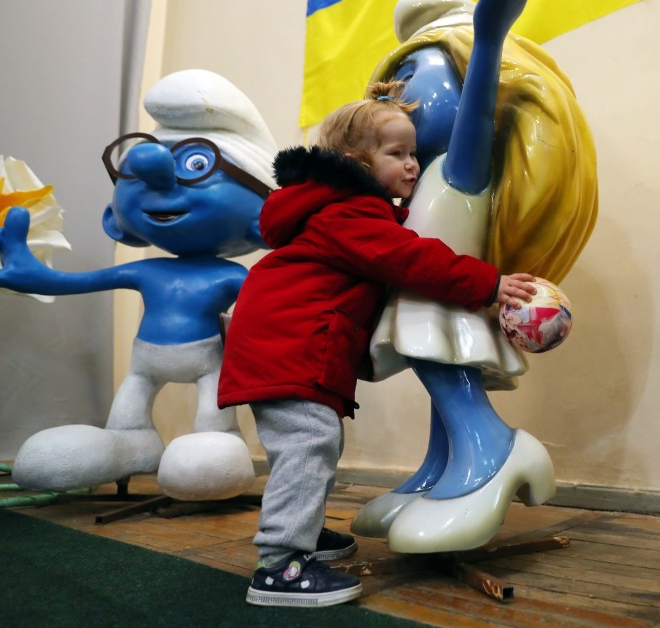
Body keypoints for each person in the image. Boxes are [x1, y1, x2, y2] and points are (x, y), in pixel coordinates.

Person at [216, 80, 538, 608]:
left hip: (283, 345)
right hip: (290, 348)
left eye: (414, 153)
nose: (412, 164)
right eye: (398, 154)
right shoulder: (349, 213)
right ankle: (279, 565)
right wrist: (490, 284)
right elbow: (411, 259)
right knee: (307, 446)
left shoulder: (332, 209)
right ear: (355, 162)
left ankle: (304, 535)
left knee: (317, 443)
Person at [352, 0, 598, 554]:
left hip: (446, 299)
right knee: (443, 376)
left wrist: (489, 35)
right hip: (441, 293)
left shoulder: (462, 172)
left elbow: (479, 114)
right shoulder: (417, 176)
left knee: (443, 369)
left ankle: (495, 451)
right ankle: (441, 472)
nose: (396, 98)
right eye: (389, 86)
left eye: (410, 81)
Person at [0, 69, 276, 501]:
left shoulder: (230, 276)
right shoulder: (147, 272)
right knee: (126, 414)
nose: (153, 170)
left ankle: (219, 447)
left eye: (197, 164)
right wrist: (31, 273)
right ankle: (130, 443)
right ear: (116, 217)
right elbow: (73, 282)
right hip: (146, 364)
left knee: (211, 426)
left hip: (209, 366)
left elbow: (265, 314)